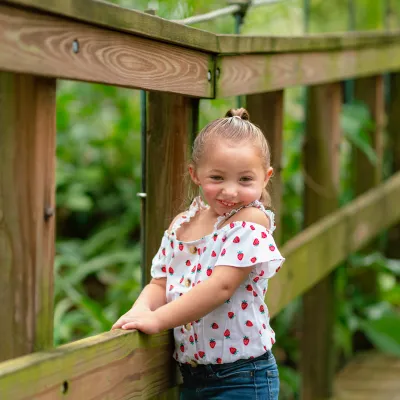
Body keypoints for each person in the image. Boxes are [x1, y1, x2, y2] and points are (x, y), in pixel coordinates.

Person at [112, 108, 285, 399]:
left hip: (243, 377)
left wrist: (158, 320)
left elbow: (221, 286)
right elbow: (160, 283)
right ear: (195, 173)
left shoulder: (250, 223)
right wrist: (141, 309)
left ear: (265, 178)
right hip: (192, 377)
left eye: (245, 180)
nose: (230, 191)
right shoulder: (182, 224)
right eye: (217, 177)